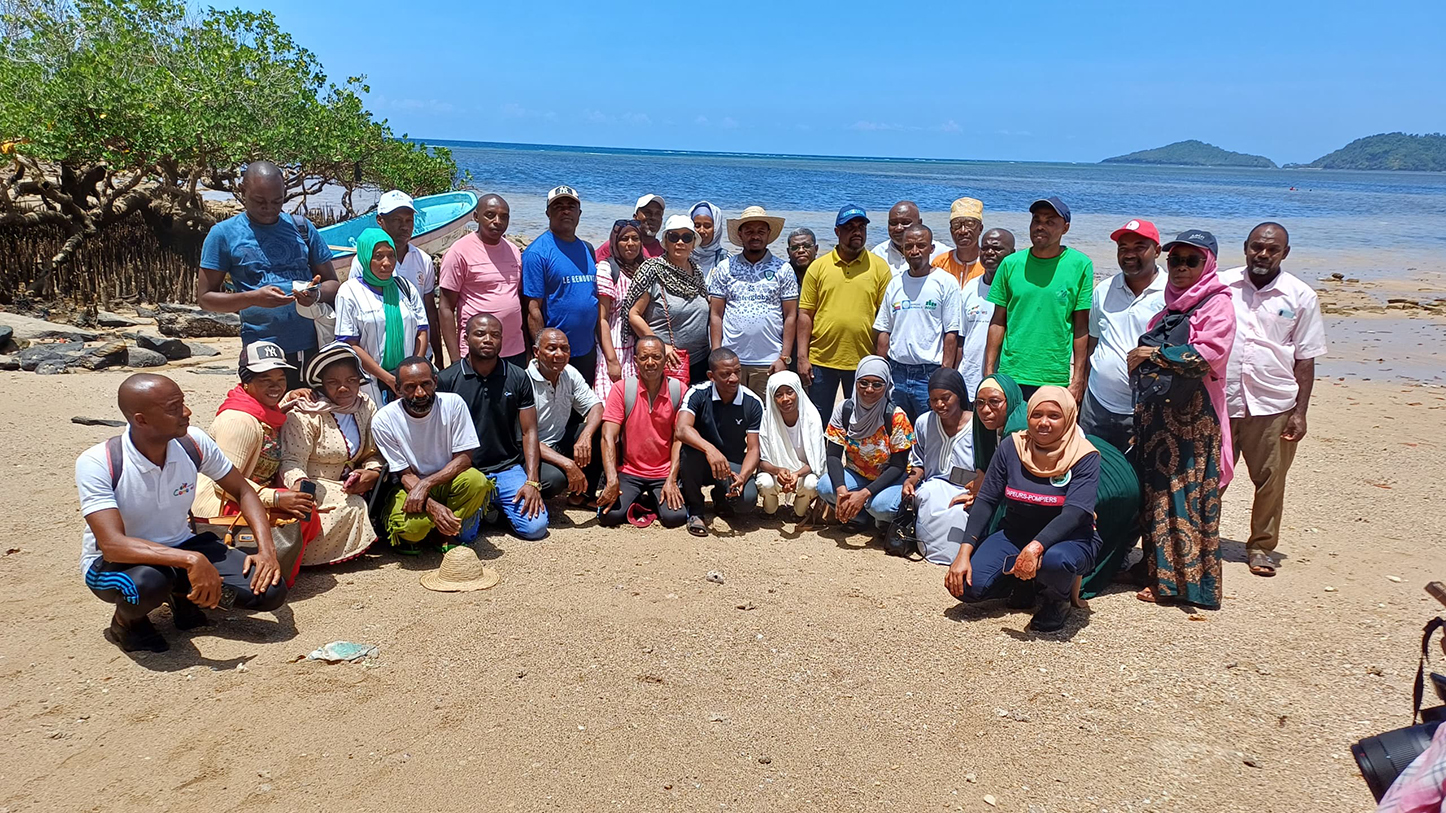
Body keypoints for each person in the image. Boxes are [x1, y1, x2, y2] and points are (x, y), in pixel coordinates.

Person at [76, 374, 286, 653]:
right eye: (174, 408)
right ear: (141, 420)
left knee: (270, 591)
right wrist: (191, 560)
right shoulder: (98, 462)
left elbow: (243, 491)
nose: (186, 412)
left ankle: (179, 592)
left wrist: (267, 551)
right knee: (147, 583)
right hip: (115, 563)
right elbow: (112, 546)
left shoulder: (193, 443)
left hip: (181, 545)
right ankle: (126, 624)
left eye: (183, 403)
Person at [1131, 229, 1237, 608]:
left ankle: (1189, 586)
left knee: (1187, 499)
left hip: (1194, 422)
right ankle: (1159, 575)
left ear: (1207, 264)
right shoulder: (1170, 308)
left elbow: (1209, 354)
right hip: (1159, 420)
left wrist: (1153, 356)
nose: (1180, 268)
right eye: (1175, 260)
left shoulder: (1217, 305)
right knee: (1157, 497)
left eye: (1191, 261)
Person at [944, 387, 1103, 632]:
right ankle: (1021, 583)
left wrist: (1035, 547)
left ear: (1070, 417)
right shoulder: (1012, 447)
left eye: (1054, 416)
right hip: (1016, 533)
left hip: (1069, 538)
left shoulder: (1084, 455)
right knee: (967, 587)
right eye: (1036, 415)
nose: (1043, 423)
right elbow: (986, 499)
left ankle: (1056, 601)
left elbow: (1075, 512)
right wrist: (963, 554)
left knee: (1055, 560)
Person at [1222, 222, 1327, 577]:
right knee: (1210, 477)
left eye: (1272, 249)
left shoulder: (1300, 296)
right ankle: (1202, 538)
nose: (1263, 254)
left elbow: (1306, 358)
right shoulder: (1222, 285)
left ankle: (1261, 546)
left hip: (1273, 403)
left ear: (1285, 253)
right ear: (1246, 247)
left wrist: (1300, 413)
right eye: (1256, 247)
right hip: (1222, 400)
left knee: (1270, 479)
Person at [197, 160, 337, 387]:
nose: (269, 208)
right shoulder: (223, 234)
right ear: (242, 191)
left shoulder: (301, 228)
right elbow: (205, 299)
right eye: (260, 201)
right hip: (262, 351)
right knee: (269, 418)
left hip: (314, 345)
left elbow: (333, 283)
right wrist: (253, 298)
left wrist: (315, 293)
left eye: (277, 201)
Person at [193, 341, 319, 584]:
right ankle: (270, 575)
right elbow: (224, 483)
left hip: (246, 493)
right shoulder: (239, 421)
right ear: (246, 382)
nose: (276, 386)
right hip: (219, 503)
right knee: (300, 514)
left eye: (281, 379)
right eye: (265, 380)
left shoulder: (261, 410)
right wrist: (276, 498)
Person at [438, 314, 547, 541]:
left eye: (495, 335)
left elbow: (529, 431)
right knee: (462, 538)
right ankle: (484, 507)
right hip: (468, 473)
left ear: (502, 339)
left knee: (535, 528)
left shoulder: (517, 376)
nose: (488, 339)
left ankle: (496, 510)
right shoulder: (447, 379)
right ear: (465, 338)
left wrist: (532, 481)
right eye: (480, 334)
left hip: (507, 468)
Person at [278, 342, 387, 566]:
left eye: (351, 381)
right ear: (322, 384)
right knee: (351, 505)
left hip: (351, 484)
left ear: (359, 381)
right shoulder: (306, 412)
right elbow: (292, 461)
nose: (344, 388)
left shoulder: (365, 407)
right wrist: (302, 490)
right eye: (333, 383)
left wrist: (372, 473)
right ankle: (302, 558)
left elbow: (374, 453)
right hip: (313, 483)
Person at [371, 357, 492, 553]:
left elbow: (464, 458)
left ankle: (441, 531)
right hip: (408, 485)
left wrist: (427, 484)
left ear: (435, 382)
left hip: (445, 479)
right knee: (413, 530)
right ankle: (430, 527)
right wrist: (432, 505)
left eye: (425, 384)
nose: (420, 393)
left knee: (477, 481)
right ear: (398, 388)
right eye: (410, 387)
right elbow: (404, 475)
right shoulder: (383, 420)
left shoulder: (453, 404)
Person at [983, 196, 1093, 403]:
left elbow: (1081, 328)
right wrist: (990, 372)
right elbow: (998, 321)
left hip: (1055, 376)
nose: (1040, 227)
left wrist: (1078, 379)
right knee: (1011, 435)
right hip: (1011, 373)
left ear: (1065, 228)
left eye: (1050, 221)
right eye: (1036, 220)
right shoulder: (1010, 263)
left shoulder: (1081, 265)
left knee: (1049, 434)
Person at [1079, 219, 1166, 454]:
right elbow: (1093, 341)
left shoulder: (1171, 293)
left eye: (1139, 247)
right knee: (1090, 472)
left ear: (1157, 251)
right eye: (1123, 248)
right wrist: (1083, 384)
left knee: (1139, 480)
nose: (1129, 254)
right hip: (1097, 404)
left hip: (1145, 408)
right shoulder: (1104, 290)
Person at [797, 205, 892, 418]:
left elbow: (885, 320)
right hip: (821, 360)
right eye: (849, 227)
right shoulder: (818, 267)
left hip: (863, 361)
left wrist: (880, 361)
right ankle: (820, 453)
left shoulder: (879, 267)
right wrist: (802, 357)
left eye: (861, 227)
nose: (857, 232)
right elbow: (805, 315)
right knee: (816, 419)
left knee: (860, 422)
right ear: (837, 232)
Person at [874, 224, 962, 422]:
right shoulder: (895, 283)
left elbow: (951, 333)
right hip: (897, 372)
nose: (914, 251)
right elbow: (884, 331)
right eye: (909, 246)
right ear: (903, 250)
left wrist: (944, 374)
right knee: (896, 433)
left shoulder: (945, 282)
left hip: (929, 373)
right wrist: (881, 371)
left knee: (931, 431)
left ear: (931, 249)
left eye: (921, 246)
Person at [597, 337, 688, 528]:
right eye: (644, 357)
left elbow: (680, 438)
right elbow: (608, 437)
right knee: (609, 517)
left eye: (656, 357)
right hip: (630, 471)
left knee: (675, 518)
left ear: (665, 359)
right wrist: (612, 479)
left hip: (663, 472)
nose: (650, 363)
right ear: (636, 360)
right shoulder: (622, 389)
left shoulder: (679, 390)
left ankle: (647, 501)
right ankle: (641, 500)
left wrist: (672, 479)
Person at [708, 205, 797, 398]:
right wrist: (716, 355)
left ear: (768, 234)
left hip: (769, 360)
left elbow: (790, 316)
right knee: (730, 414)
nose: (755, 236)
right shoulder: (724, 268)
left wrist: (784, 358)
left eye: (760, 231)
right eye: (749, 231)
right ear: (740, 234)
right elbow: (716, 314)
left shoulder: (783, 269)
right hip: (730, 360)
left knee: (767, 416)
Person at [818, 355, 915, 531]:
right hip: (858, 473)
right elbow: (833, 454)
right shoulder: (845, 410)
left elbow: (898, 466)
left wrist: (864, 494)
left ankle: (879, 515)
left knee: (881, 507)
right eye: (863, 383)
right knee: (825, 487)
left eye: (877, 384)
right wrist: (841, 490)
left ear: (887, 386)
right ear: (855, 382)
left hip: (891, 478)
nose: (869, 389)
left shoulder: (896, 417)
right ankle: (859, 517)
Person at [334, 228, 430, 406]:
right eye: (378, 256)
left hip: (408, 383)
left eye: (391, 255)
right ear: (365, 257)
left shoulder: (405, 288)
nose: (386, 263)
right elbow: (350, 343)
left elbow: (422, 331)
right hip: (370, 383)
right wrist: (388, 379)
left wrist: (412, 372)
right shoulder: (349, 292)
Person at [675, 349, 765, 536]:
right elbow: (682, 429)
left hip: (731, 465)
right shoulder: (697, 393)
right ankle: (696, 509)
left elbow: (754, 449)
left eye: (737, 372)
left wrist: (744, 475)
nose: (733, 378)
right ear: (711, 376)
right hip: (701, 460)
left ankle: (720, 498)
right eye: (725, 374)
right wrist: (710, 449)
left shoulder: (752, 402)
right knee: (689, 452)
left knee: (746, 502)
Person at [522, 185, 600, 385]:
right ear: (548, 212)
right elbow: (533, 309)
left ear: (579, 213)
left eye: (570, 206)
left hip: (587, 349)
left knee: (582, 410)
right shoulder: (537, 253)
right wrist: (541, 351)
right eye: (558, 206)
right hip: (556, 353)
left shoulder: (587, 249)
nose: (565, 211)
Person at [439, 194, 527, 368]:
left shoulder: (514, 251)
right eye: (490, 215)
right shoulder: (459, 252)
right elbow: (445, 308)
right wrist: (456, 360)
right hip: (477, 351)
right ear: (476, 217)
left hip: (515, 349)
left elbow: (518, 300)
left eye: (504, 216)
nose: (497, 221)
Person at [351, 191, 441, 361]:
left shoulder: (424, 260)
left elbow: (430, 312)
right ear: (380, 221)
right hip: (376, 357)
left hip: (418, 353)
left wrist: (439, 357)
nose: (404, 227)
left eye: (409, 220)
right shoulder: (362, 262)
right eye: (397, 220)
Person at [622, 214, 712, 384]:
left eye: (686, 237)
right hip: (667, 360)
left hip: (700, 360)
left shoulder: (697, 271)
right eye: (674, 237)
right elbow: (633, 314)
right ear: (665, 241)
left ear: (693, 243)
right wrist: (661, 347)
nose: (680, 242)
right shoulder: (653, 270)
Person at [902, 368, 975, 565]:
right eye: (934, 400)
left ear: (959, 395)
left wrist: (976, 491)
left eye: (946, 398)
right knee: (925, 496)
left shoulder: (977, 425)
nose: (939, 405)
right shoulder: (924, 422)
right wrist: (910, 480)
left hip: (967, 488)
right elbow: (918, 463)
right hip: (934, 484)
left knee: (958, 512)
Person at [528, 328, 604, 503]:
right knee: (555, 481)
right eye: (552, 348)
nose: (559, 354)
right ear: (536, 352)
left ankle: (583, 495)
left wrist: (585, 436)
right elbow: (524, 438)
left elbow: (596, 407)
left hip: (560, 441)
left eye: (564, 348)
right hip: (532, 450)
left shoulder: (569, 373)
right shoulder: (524, 382)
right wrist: (567, 464)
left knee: (601, 428)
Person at [756, 371, 825, 518]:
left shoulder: (812, 418)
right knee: (765, 482)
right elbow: (763, 461)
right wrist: (778, 471)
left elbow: (816, 462)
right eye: (778, 395)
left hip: (803, 474)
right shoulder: (767, 419)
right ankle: (770, 510)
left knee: (812, 484)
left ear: (798, 391)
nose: (785, 399)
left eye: (789, 392)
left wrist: (796, 474)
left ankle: (799, 511)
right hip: (776, 474)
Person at [957, 229, 1013, 399]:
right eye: (985, 248)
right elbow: (961, 337)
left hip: (1003, 381)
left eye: (997, 249)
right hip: (969, 380)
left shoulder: (1016, 291)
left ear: (1012, 253)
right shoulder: (970, 288)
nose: (989, 253)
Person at [594, 219, 646, 400]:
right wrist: (611, 360)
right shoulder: (607, 269)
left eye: (635, 238)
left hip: (638, 352)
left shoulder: (645, 269)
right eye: (624, 239)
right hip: (614, 348)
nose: (630, 244)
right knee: (609, 404)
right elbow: (602, 319)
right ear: (615, 242)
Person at [871, 200, 947, 275]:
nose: (899, 228)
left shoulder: (942, 254)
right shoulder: (877, 254)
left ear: (919, 223)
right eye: (893, 223)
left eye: (905, 223)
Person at [931, 197, 986, 285]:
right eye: (956, 225)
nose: (963, 231)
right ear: (951, 230)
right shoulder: (940, 263)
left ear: (980, 229)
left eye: (970, 224)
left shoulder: (988, 265)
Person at [595, 194, 665, 262]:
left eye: (658, 214)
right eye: (647, 213)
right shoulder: (616, 246)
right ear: (635, 217)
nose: (653, 217)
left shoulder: (665, 251)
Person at [690, 201, 730, 277]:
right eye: (697, 225)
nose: (701, 231)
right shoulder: (682, 256)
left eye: (707, 226)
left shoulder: (726, 260)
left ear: (716, 228)